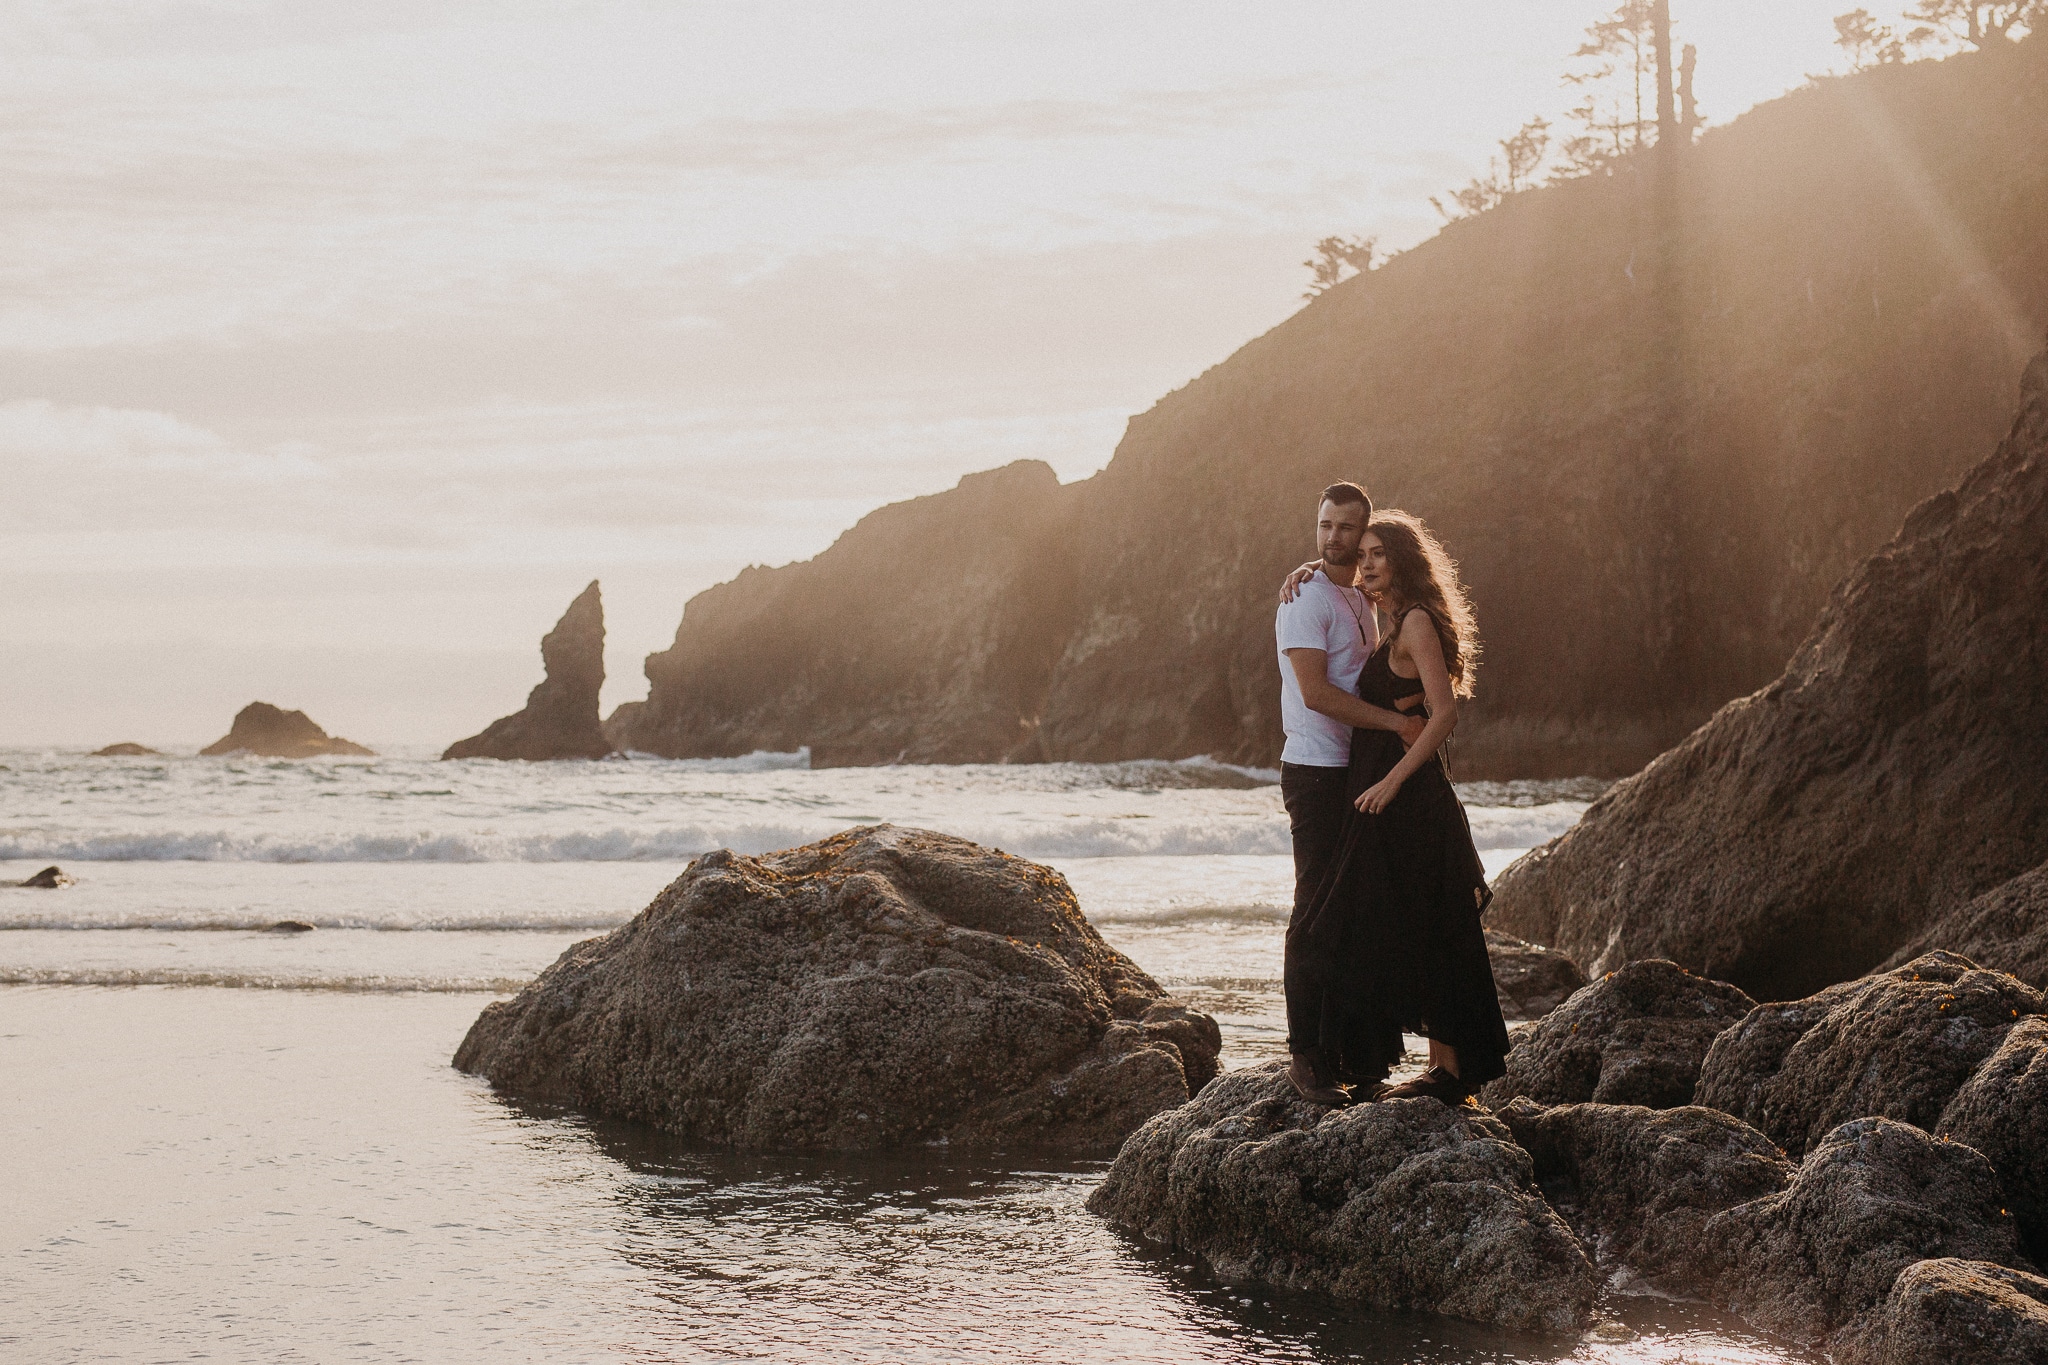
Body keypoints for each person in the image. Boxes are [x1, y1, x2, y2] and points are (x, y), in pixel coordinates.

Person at [1279, 510, 1509, 1104]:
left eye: (1378, 553)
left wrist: (1392, 782)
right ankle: (1435, 1068)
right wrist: (1307, 570)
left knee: (1441, 926)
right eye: (1365, 553)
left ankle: (1454, 1072)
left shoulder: (1414, 623)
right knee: (1419, 922)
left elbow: (1445, 713)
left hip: (1411, 797)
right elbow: (1333, 580)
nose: (1366, 561)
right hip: (1390, 798)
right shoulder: (1381, 615)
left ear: (1402, 561)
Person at [1273, 483, 1426, 1105]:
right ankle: (1306, 1058)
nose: (1331, 538)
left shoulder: (1363, 597)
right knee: (1315, 912)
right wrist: (1397, 725)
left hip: (1359, 773)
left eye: (1345, 529)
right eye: (1324, 526)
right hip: (1315, 773)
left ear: (1366, 538)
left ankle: (1359, 1056)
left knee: (1360, 912)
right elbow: (1315, 694)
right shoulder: (1305, 600)